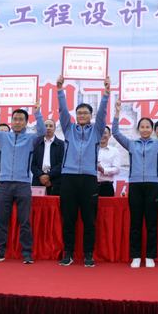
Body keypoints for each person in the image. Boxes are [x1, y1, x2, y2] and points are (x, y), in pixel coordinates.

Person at [112, 98, 158, 268]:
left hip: (153, 185)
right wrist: (117, 112)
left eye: (148, 127)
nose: (145, 129)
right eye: (142, 127)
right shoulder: (131, 144)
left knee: (152, 222)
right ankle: (136, 256)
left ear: (151, 130)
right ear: (138, 129)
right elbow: (115, 132)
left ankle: (150, 256)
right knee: (136, 222)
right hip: (135, 185)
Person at [57, 75, 110, 267]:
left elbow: (103, 114)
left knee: (89, 220)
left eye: (85, 113)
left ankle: (88, 254)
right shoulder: (68, 128)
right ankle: (68, 253)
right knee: (68, 219)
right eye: (79, 113)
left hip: (89, 179)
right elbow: (63, 111)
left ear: (90, 116)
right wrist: (60, 90)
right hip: (69, 178)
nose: (81, 116)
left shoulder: (96, 130)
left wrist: (106, 93)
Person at [0, 101, 45, 265]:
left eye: (21, 119)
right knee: (1, 221)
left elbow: (42, 132)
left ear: (26, 122)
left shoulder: (31, 139)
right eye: (15, 119)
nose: (17, 122)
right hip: (4, 184)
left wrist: (37, 113)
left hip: (23, 184)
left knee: (24, 221)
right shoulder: (3, 137)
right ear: (11, 121)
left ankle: (27, 254)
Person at [31, 119, 65, 196]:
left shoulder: (61, 144)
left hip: (55, 181)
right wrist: (41, 176)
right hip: (38, 180)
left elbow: (62, 164)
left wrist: (48, 176)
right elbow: (32, 164)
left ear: (55, 128)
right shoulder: (36, 143)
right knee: (37, 203)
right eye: (46, 126)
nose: (48, 128)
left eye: (51, 126)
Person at [97, 126, 120, 197]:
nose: (102, 135)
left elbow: (117, 169)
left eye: (104, 133)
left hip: (107, 186)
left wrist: (103, 170)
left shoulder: (114, 151)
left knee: (107, 204)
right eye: (100, 132)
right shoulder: (90, 149)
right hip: (91, 185)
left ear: (109, 135)